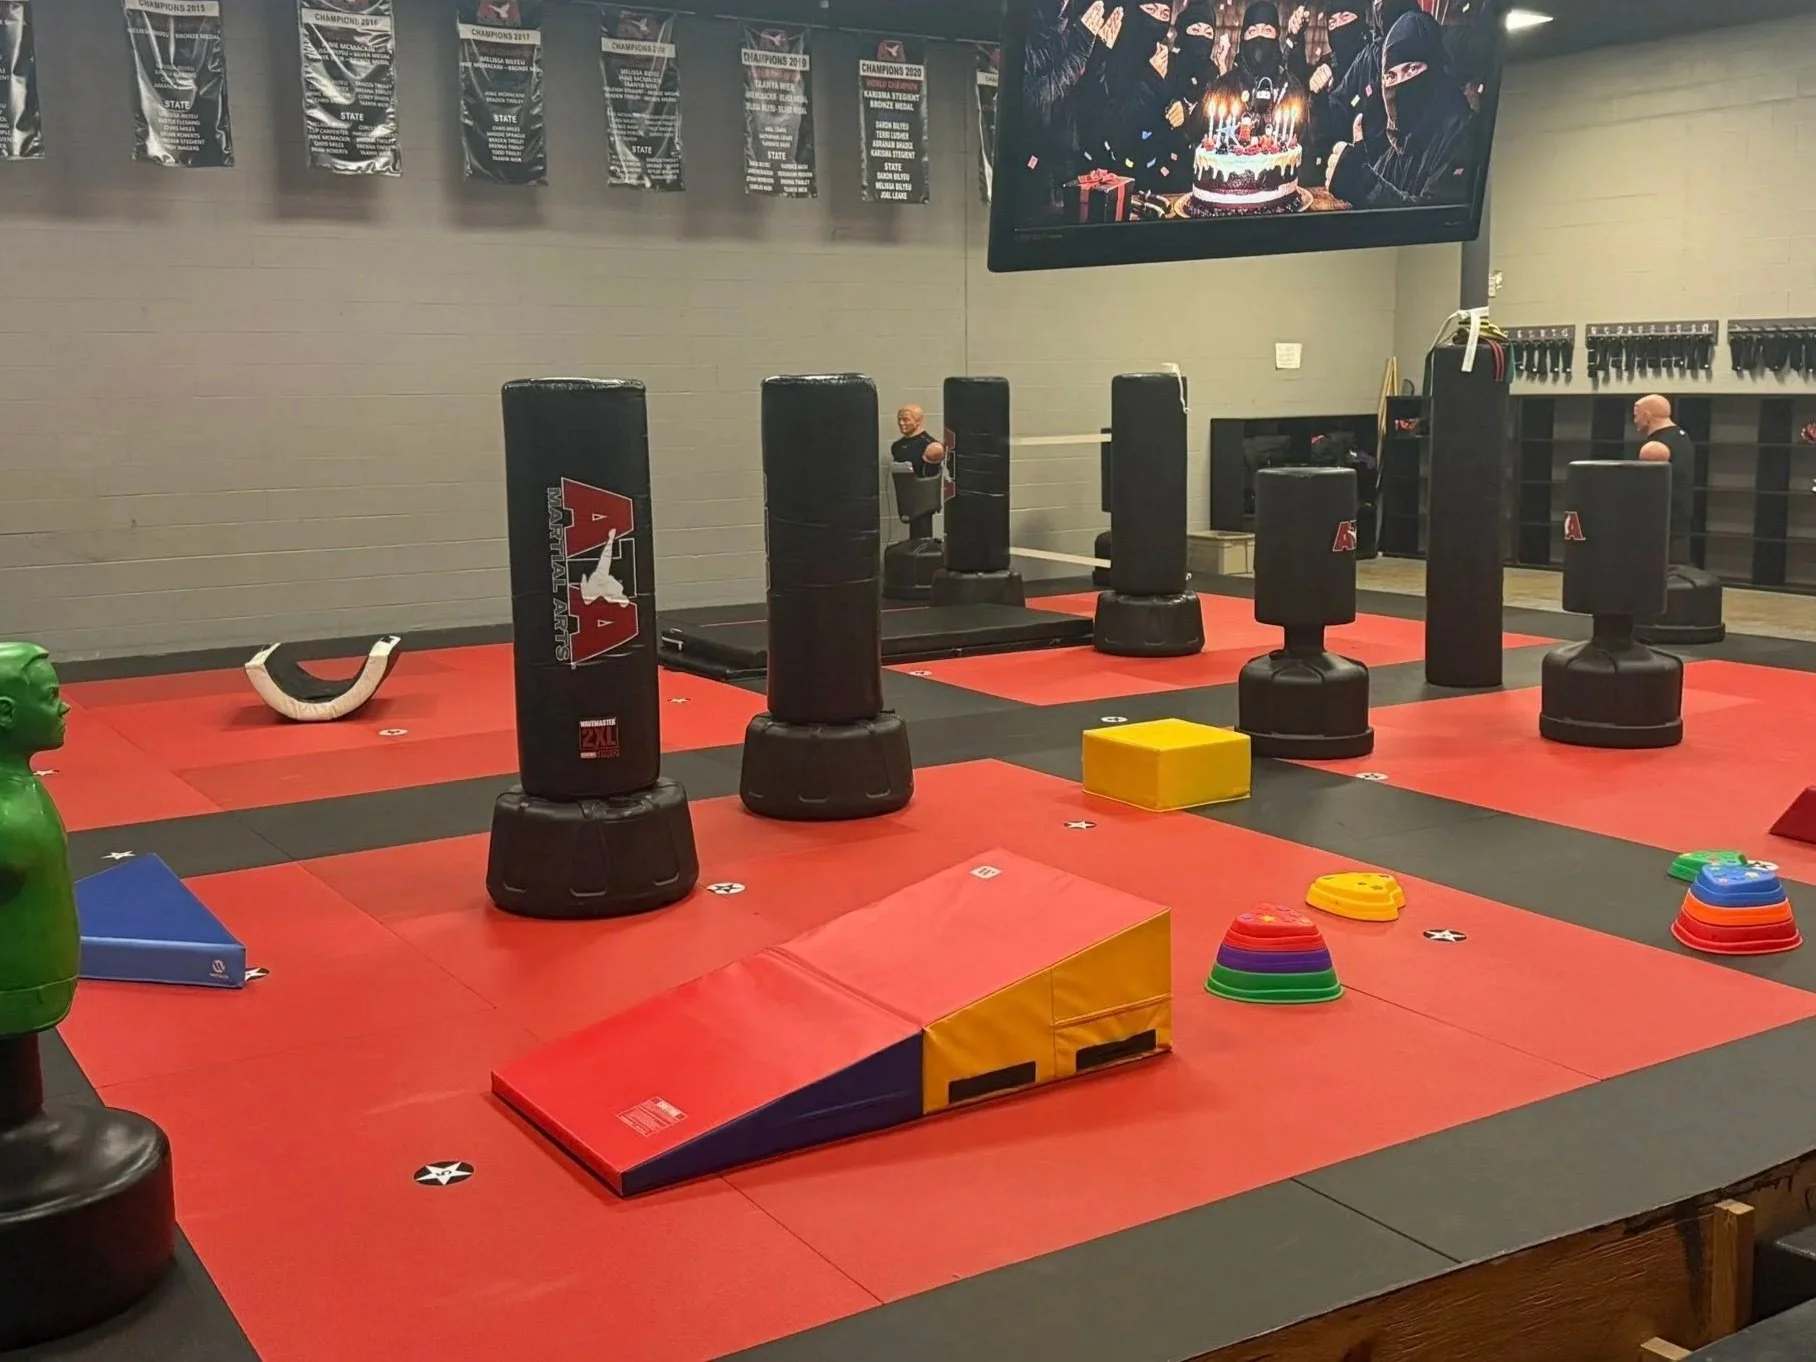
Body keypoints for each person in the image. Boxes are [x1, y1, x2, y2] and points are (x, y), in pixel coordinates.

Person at [0, 642, 79, 1039]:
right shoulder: (8, 818)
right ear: (4, 714)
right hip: (16, 986)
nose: (63, 708)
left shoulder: (21, 790)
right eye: (50, 697)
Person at [1326, 10, 1474, 210]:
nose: (1401, 83)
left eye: (1411, 68)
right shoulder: (1400, 146)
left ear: (1436, 66)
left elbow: (1433, 223)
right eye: (1391, 77)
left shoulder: (1461, 134)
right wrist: (1361, 166)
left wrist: (1363, 185)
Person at [1634, 394, 1697, 564]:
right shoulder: (1682, 436)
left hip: (1660, 528)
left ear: (1647, 415)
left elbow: (1648, 492)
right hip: (1680, 523)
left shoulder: (1654, 448)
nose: (1635, 420)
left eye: (1636, 414)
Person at [892, 406, 947, 541]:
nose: (901, 423)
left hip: (924, 501)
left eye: (906, 420)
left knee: (922, 538)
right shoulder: (897, 446)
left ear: (918, 421)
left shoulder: (931, 447)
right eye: (899, 420)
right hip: (906, 499)